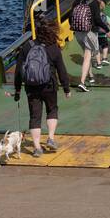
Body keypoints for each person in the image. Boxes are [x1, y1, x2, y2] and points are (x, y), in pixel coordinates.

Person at [15, 14, 71, 157]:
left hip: (31, 87)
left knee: (35, 116)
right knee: (52, 110)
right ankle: (51, 138)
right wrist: (66, 88)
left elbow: (19, 70)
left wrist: (17, 89)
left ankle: (37, 147)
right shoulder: (54, 48)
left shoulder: (27, 46)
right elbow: (61, 70)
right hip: (49, 85)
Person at [69, 0, 101, 92]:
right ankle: (82, 82)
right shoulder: (94, 2)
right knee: (88, 56)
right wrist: (107, 29)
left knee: (87, 54)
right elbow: (97, 19)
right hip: (89, 32)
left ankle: (91, 77)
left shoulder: (76, 1)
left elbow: (70, 18)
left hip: (78, 33)